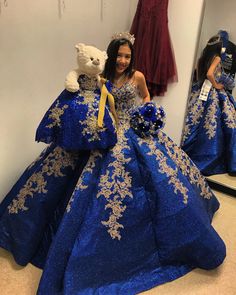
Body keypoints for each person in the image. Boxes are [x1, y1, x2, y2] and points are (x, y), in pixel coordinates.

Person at [35, 33, 225, 294]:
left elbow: (146, 97)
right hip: (106, 129)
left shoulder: (138, 77)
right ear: (111, 55)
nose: (123, 60)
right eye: (120, 55)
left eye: (128, 56)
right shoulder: (101, 76)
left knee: (161, 176)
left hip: (134, 128)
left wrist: (148, 113)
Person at [181, 35, 236, 176]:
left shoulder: (202, 58)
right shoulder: (217, 58)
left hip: (200, 90)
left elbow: (198, 74)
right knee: (221, 121)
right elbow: (210, 73)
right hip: (212, 91)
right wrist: (216, 84)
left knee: (195, 120)